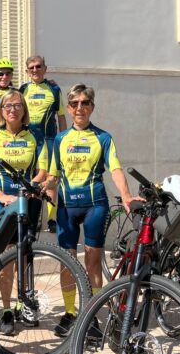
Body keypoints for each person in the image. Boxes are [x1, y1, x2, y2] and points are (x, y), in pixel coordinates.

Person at [45, 84, 134, 337]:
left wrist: (126, 195)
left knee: (93, 262)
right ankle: (70, 313)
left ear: (92, 107)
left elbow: (115, 169)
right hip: (67, 208)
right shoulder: (61, 139)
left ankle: (92, 313)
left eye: (85, 103)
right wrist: (42, 187)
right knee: (67, 262)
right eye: (74, 104)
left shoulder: (103, 137)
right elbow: (54, 175)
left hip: (94, 205)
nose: (79, 108)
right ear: (69, 108)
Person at [0, 90, 47, 335]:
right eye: (7, 106)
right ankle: (6, 309)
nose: (12, 110)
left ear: (24, 109)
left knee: (25, 254)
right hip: (1, 202)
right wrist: (1, 196)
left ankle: (23, 303)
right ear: (1, 110)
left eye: (17, 105)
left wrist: (28, 190)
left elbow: (42, 171)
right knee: (6, 255)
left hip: (28, 200)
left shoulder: (36, 136)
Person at [19, 55, 67, 232]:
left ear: (45, 69)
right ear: (27, 71)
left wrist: (62, 139)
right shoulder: (23, 89)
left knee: (50, 177)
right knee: (34, 177)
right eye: (31, 67)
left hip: (49, 138)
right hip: (29, 140)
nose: (35, 70)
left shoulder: (54, 89)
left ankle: (51, 219)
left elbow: (61, 116)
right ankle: (35, 215)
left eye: (38, 66)